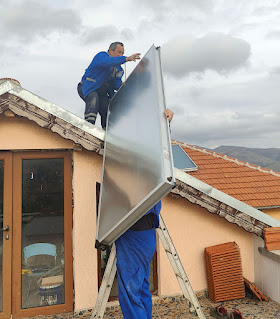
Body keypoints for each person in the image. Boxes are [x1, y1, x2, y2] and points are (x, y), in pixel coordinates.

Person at [115, 109, 174, 319]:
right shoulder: (147, 166)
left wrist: (165, 126)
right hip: (142, 234)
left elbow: (158, 149)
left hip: (135, 234)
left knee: (131, 292)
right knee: (139, 289)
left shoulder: (143, 166)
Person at [77, 42, 141, 129]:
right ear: (110, 51)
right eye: (119, 52)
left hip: (102, 93)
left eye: (122, 53)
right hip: (87, 88)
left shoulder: (118, 69)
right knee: (93, 98)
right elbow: (107, 62)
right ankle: (88, 128)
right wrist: (126, 58)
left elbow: (115, 84)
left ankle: (106, 131)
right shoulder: (101, 56)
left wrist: (125, 86)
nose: (120, 55)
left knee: (106, 106)